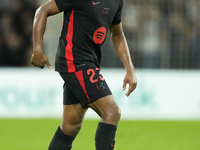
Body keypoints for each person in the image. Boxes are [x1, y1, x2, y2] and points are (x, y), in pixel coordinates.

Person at [30, 0, 137, 149]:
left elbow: (117, 34)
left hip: (88, 62)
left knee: (70, 126)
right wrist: (37, 50)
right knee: (112, 112)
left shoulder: (116, 1)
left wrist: (130, 68)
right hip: (74, 60)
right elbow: (42, 11)